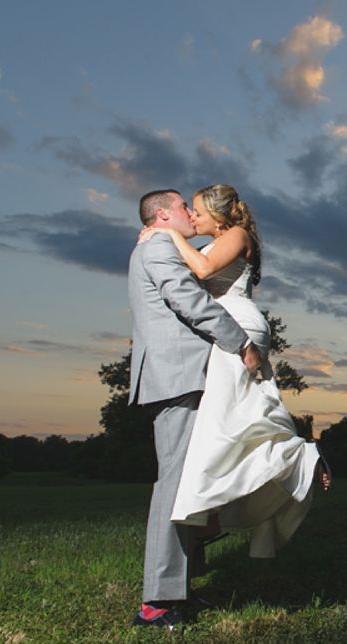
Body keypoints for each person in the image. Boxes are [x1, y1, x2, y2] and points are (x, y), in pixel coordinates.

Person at [139, 184, 331, 566]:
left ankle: (304, 458)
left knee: (236, 418)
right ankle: (206, 518)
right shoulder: (210, 240)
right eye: (187, 212)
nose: (191, 218)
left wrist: (168, 234)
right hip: (222, 328)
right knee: (228, 422)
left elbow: (205, 269)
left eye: (196, 212)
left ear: (219, 215)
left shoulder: (237, 235)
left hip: (239, 327)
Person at [128, 189, 262, 629]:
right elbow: (189, 300)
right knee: (174, 486)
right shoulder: (160, 244)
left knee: (190, 481)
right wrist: (238, 341)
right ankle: (158, 602)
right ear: (164, 214)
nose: (191, 212)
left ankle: (179, 590)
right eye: (184, 207)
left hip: (179, 374)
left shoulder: (156, 244)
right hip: (178, 374)